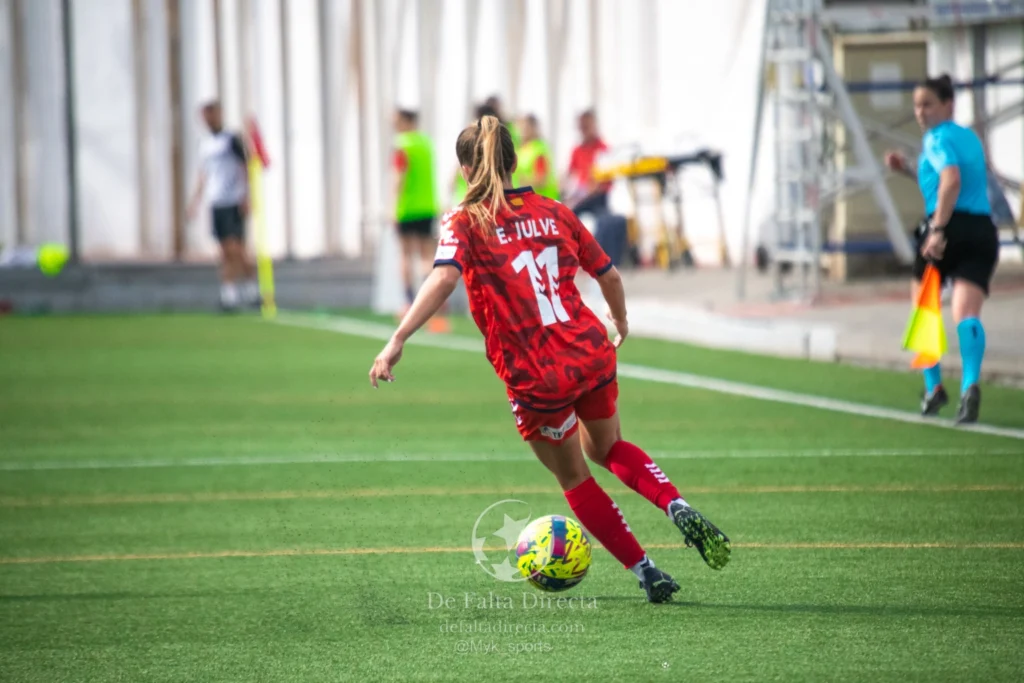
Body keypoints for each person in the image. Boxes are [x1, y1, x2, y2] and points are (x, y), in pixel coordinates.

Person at [369, 116, 731, 603]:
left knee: (574, 475)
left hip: (538, 378)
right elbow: (610, 276)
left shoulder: (464, 220)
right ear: (516, 162)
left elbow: (443, 278)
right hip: (589, 351)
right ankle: (676, 503)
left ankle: (646, 571)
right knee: (608, 448)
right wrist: (619, 322)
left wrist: (397, 339)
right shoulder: (555, 210)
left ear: (462, 169)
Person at [884, 74, 999, 423]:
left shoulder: (936, 139)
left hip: (947, 229)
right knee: (966, 313)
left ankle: (934, 387)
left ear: (948, 104)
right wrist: (908, 168)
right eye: (917, 105)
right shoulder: (970, 139)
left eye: (927, 104)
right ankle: (969, 387)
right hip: (981, 230)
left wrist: (937, 229)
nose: (920, 112)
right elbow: (951, 183)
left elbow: (950, 181)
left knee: (924, 308)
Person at [186, 101, 260, 311]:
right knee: (226, 251)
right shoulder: (204, 143)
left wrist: (247, 196)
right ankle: (234, 295)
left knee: (235, 249)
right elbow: (203, 175)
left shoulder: (232, 140)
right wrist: (195, 202)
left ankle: (245, 292)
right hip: (216, 201)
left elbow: (246, 166)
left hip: (233, 200)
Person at [392, 109, 448, 331]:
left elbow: (400, 176)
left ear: (407, 121)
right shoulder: (426, 143)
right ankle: (435, 302)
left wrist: (393, 207)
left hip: (407, 207)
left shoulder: (402, 144)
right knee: (427, 255)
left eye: (396, 120)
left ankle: (409, 301)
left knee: (406, 254)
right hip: (428, 206)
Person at [562, 109, 611, 217]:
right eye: (582, 127)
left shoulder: (603, 149)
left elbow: (604, 183)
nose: (584, 131)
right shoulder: (577, 150)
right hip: (581, 193)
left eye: (586, 127)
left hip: (598, 196)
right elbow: (569, 174)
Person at [512, 114, 559, 200]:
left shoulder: (539, 149)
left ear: (533, 128)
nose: (522, 130)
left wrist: (522, 181)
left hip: (543, 202)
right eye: (520, 127)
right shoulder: (520, 149)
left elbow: (542, 180)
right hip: (527, 201)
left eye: (525, 127)